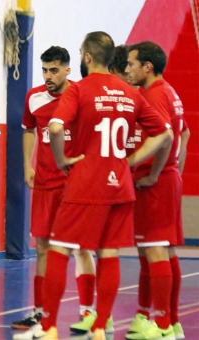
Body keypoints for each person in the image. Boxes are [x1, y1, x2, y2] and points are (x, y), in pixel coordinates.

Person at [14, 31, 173, 340]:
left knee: (59, 249)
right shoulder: (130, 91)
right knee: (109, 253)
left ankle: (48, 328)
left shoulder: (79, 90)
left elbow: (56, 128)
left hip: (85, 183)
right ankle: (100, 326)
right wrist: (128, 161)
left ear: (86, 58)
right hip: (120, 186)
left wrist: (61, 160)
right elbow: (165, 134)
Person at [10, 46, 101, 334]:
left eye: (54, 70)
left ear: (67, 70)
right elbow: (28, 130)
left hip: (76, 186)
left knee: (81, 249)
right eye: (45, 70)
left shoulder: (81, 95)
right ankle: (40, 313)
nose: (48, 76)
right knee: (43, 249)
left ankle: (88, 311)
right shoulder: (34, 97)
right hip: (45, 185)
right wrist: (27, 164)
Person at [125, 41, 189, 340]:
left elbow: (164, 138)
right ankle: (172, 323)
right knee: (166, 251)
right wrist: (174, 167)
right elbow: (182, 132)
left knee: (154, 251)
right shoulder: (169, 91)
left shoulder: (154, 95)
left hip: (158, 183)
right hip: (169, 178)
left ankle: (162, 327)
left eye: (132, 64)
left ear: (146, 67)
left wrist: (150, 172)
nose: (129, 69)